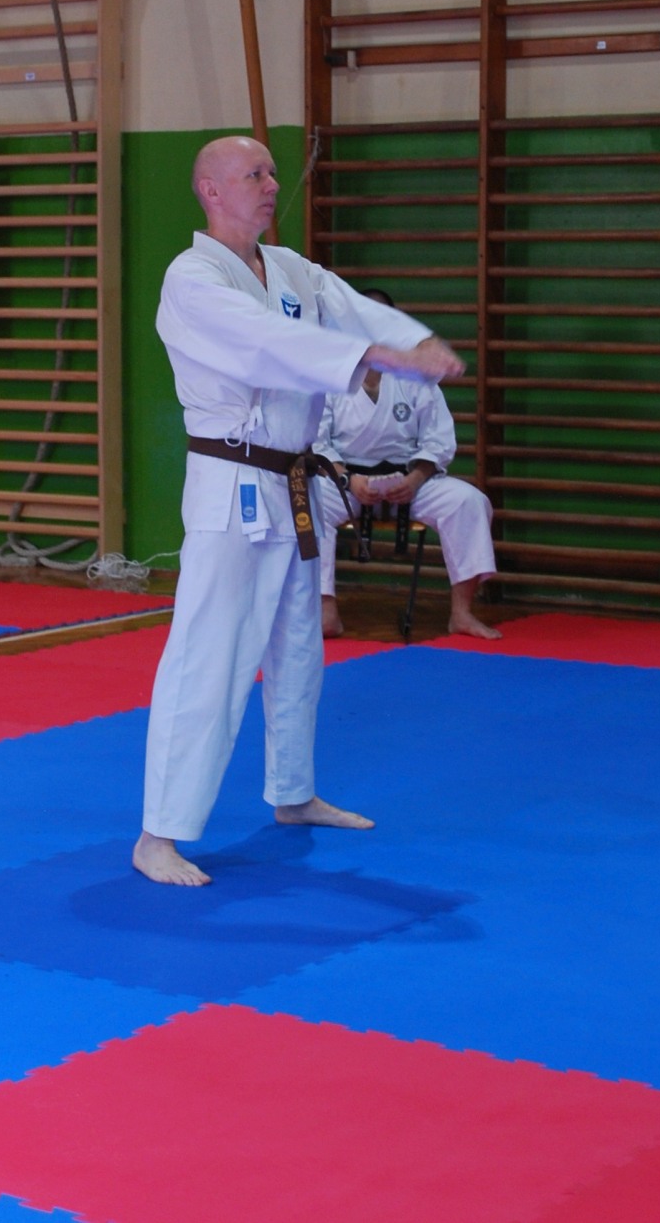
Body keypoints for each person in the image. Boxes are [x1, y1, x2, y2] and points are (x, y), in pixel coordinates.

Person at [136, 136, 463, 887]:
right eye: (253, 173)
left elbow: (352, 309)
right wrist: (373, 359)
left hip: (294, 483)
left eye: (272, 172)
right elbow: (263, 342)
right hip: (231, 488)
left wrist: (415, 343)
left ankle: (293, 792)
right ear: (211, 190)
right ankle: (158, 834)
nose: (270, 183)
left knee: (298, 648)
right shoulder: (192, 278)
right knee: (210, 659)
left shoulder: (289, 269)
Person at [312, 292, 500, 641]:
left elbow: (438, 441)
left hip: (409, 481)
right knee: (308, 503)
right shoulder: (331, 375)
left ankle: (462, 612)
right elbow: (317, 443)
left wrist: (414, 480)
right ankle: (326, 611)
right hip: (347, 483)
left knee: (469, 502)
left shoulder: (414, 376)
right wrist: (349, 480)